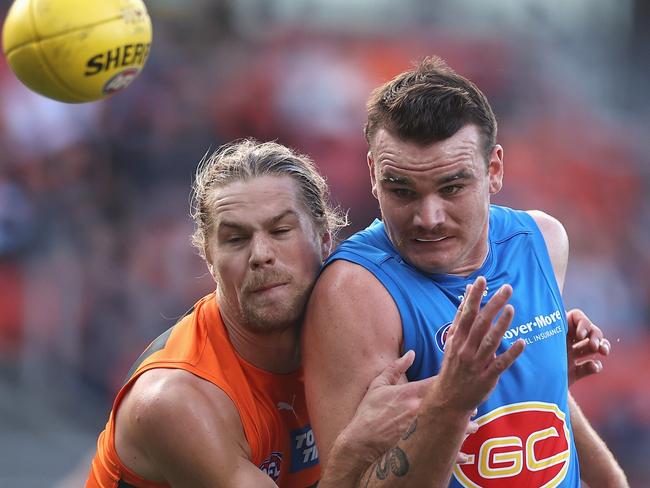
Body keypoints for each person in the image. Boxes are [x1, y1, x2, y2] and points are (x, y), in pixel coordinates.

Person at [84, 139, 495, 487]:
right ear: (209, 258)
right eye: (235, 239)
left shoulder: (360, 337)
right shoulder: (177, 402)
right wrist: (356, 447)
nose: (261, 255)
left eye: (280, 231)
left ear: (324, 237)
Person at [302, 56, 627, 487]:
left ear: (494, 170)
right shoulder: (355, 293)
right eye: (402, 190)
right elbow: (352, 483)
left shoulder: (543, 241)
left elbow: (548, 407)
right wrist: (449, 405)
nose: (428, 217)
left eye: (452, 188)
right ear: (374, 176)